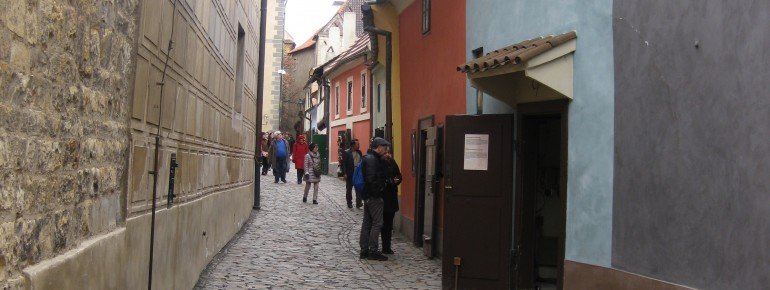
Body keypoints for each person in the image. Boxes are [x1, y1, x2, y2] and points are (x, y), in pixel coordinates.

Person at [359, 137, 391, 261]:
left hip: (367, 196)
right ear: (378, 147)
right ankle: (373, 250)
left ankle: (364, 250)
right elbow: (372, 179)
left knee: (367, 223)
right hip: (373, 197)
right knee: (377, 223)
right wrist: (378, 193)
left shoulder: (369, 158)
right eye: (384, 147)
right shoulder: (373, 160)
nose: (386, 149)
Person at [381, 152, 402, 255]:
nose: (387, 153)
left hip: (392, 197)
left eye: (387, 151)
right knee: (381, 224)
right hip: (382, 197)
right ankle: (378, 246)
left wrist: (396, 181)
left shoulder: (392, 162)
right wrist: (389, 181)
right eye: (385, 151)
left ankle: (387, 247)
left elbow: (399, 175)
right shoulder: (379, 163)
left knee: (389, 224)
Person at [341, 139, 364, 208]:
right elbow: (343, 163)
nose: (359, 145)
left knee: (359, 188)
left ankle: (358, 203)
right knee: (349, 189)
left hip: (358, 174)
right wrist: (344, 173)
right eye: (357, 144)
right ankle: (349, 202)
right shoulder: (347, 152)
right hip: (350, 173)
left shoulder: (359, 152)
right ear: (353, 145)